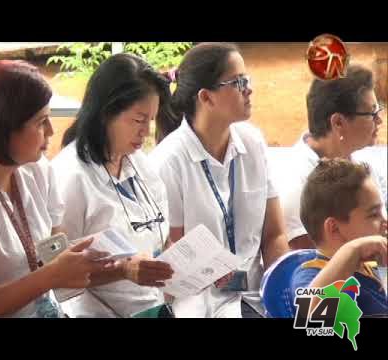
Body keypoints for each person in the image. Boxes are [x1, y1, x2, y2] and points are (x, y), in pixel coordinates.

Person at [149, 42, 289, 318]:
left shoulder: (254, 142)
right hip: (198, 306)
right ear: (206, 97)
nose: (248, 89)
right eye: (238, 82)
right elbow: (172, 255)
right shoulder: (168, 162)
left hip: (255, 298)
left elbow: (274, 235)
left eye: (247, 80)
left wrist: (281, 294)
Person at [0, 60, 108, 317]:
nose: (51, 130)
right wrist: (49, 276)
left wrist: (99, 262)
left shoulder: (37, 169)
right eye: (41, 121)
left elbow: (54, 252)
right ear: (5, 127)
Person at [51, 53, 174, 318]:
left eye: (150, 121)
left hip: (154, 309)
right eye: (139, 120)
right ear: (106, 113)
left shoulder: (141, 165)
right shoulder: (69, 177)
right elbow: (56, 274)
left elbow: (161, 240)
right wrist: (122, 269)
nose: (146, 131)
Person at [280, 64, 385, 250]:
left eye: (379, 110)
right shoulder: (295, 184)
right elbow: (309, 260)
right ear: (338, 122)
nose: (380, 120)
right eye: (372, 113)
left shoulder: (362, 164)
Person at [290, 158, 387, 316]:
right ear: (334, 228)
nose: (385, 222)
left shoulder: (369, 267)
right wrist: (352, 249)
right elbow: (313, 316)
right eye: (374, 214)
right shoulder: (310, 274)